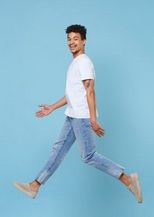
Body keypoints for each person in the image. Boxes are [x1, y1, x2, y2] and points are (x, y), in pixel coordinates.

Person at [13, 24, 143, 203]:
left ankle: (128, 179)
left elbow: (90, 91)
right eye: (69, 39)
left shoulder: (84, 62)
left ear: (84, 41)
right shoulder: (75, 62)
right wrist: (52, 107)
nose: (71, 42)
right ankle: (35, 185)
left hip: (81, 117)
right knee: (58, 151)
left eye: (75, 39)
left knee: (88, 156)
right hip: (72, 115)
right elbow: (72, 95)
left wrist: (93, 119)